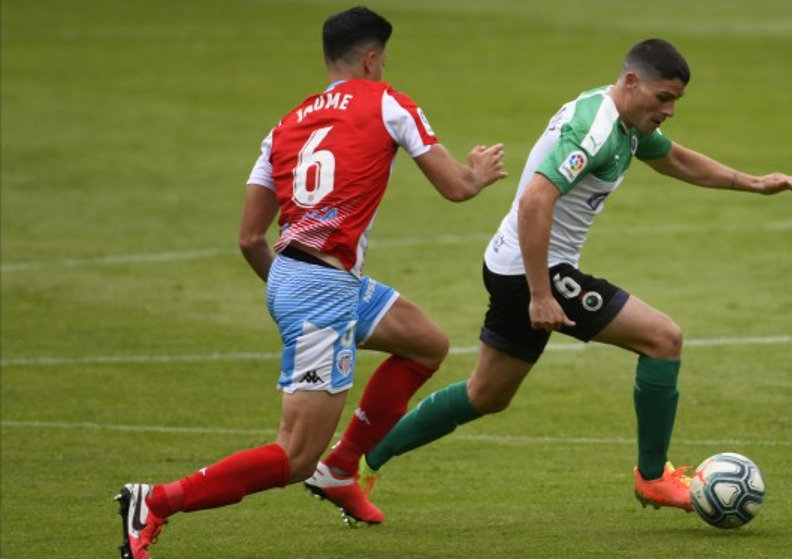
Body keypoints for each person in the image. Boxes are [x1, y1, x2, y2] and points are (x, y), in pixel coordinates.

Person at [351, 38, 792, 516]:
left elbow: (676, 159)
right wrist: (541, 294)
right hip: (535, 271)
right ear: (631, 82)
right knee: (663, 339)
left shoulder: (625, 120)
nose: (670, 110)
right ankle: (652, 478)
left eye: (676, 101)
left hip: (513, 265)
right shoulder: (596, 129)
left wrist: (754, 183)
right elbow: (535, 200)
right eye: (663, 97)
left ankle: (363, 461)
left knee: (486, 395)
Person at [115, 7, 507, 557]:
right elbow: (457, 188)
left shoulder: (285, 125)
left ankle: (342, 469)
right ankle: (155, 501)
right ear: (372, 59)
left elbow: (251, 238)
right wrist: (479, 173)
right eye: (384, 58)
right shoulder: (388, 102)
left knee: (426, 344)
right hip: (323, 292)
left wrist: (291, 290)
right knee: (294, 454)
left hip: (303, 278)